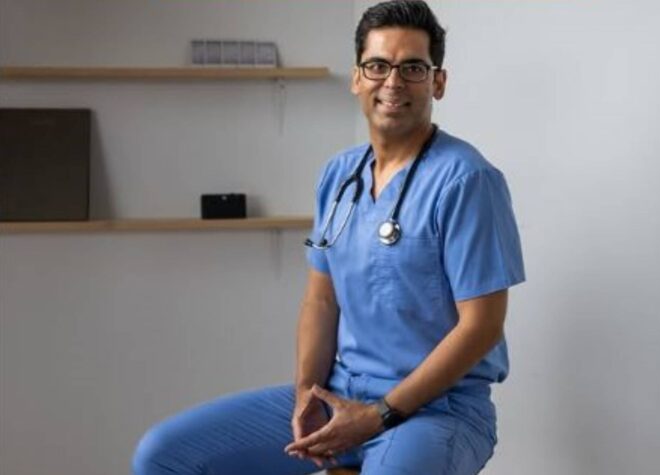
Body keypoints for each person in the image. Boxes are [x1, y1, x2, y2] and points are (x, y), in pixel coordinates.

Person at [131, 1, 526, 474]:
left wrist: (378, 415)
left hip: (437, 411)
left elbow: (481, 326)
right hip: (340, 393)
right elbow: (321, 301)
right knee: (164, 456)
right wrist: (306, 394)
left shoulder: (467, 180)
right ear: (357, 78)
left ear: (437, 82)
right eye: (377, 66)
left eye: (413, 68)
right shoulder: (340, 176)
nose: (393, 82)